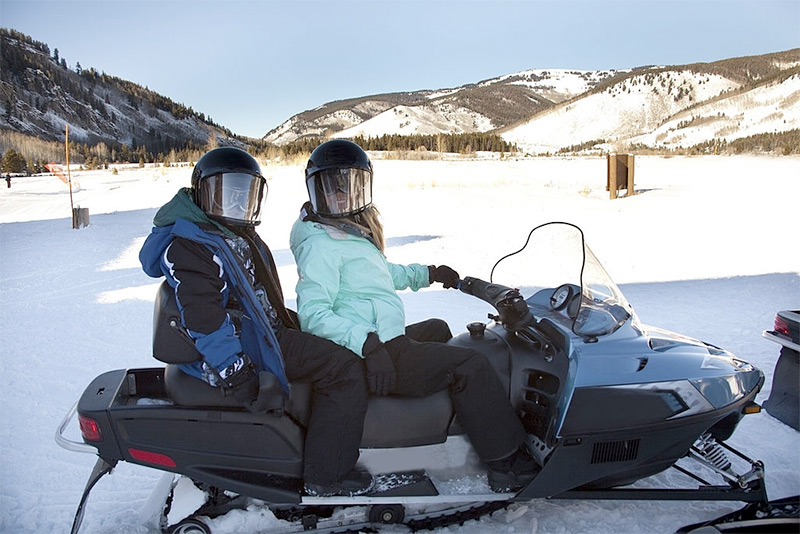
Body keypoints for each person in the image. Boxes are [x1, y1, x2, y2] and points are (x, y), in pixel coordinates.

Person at [289, 139, 539, 492]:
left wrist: (429, 273)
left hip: (380, 335)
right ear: (316, 191)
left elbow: (378, 275)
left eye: (351, 185)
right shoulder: (321, 244)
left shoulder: (344, 231)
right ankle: (506, 461)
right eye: (332, 187)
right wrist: (369, 345)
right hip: (369, 348)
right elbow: (313, 314)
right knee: (471, 366)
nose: (343, 195)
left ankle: (449, 426)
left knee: (437, 328)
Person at [138, 146, 373, 497]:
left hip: (260, 328)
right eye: (224, 194)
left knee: (335, 343)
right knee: (346, 369)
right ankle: (328, 474)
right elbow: (204, 318)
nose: (234, 204)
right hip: (248, 343)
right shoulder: (191, 244)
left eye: (243, 194)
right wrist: (238, 375)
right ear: (201, 193)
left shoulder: (220, 230)